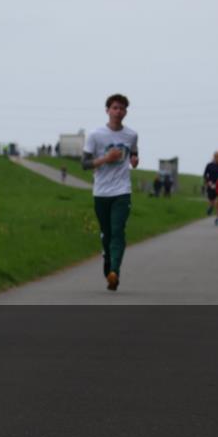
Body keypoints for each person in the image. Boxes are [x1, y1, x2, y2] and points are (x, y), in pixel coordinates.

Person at [82, 94, 139, 291]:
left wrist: (134, 159)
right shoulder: (96, 135)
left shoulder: (131, 135)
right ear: (107, 110)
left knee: (117, 231)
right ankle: (108, 264)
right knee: (107, 234)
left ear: (125, 112)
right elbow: (84, 164)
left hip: (122, 190)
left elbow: (134, 151)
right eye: (115, 107)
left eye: (122, 108)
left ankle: (115, 271)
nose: (118, 111)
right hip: (101, 192)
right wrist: (106, 158)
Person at [203, 151, 218, 225]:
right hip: (211, 185)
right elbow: (205, 175)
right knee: (212, 202)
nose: (217, 158)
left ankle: (217, 219)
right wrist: (208, 182)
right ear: (213, 157)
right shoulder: (209, 165)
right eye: (216, 156)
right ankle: (211, 206)